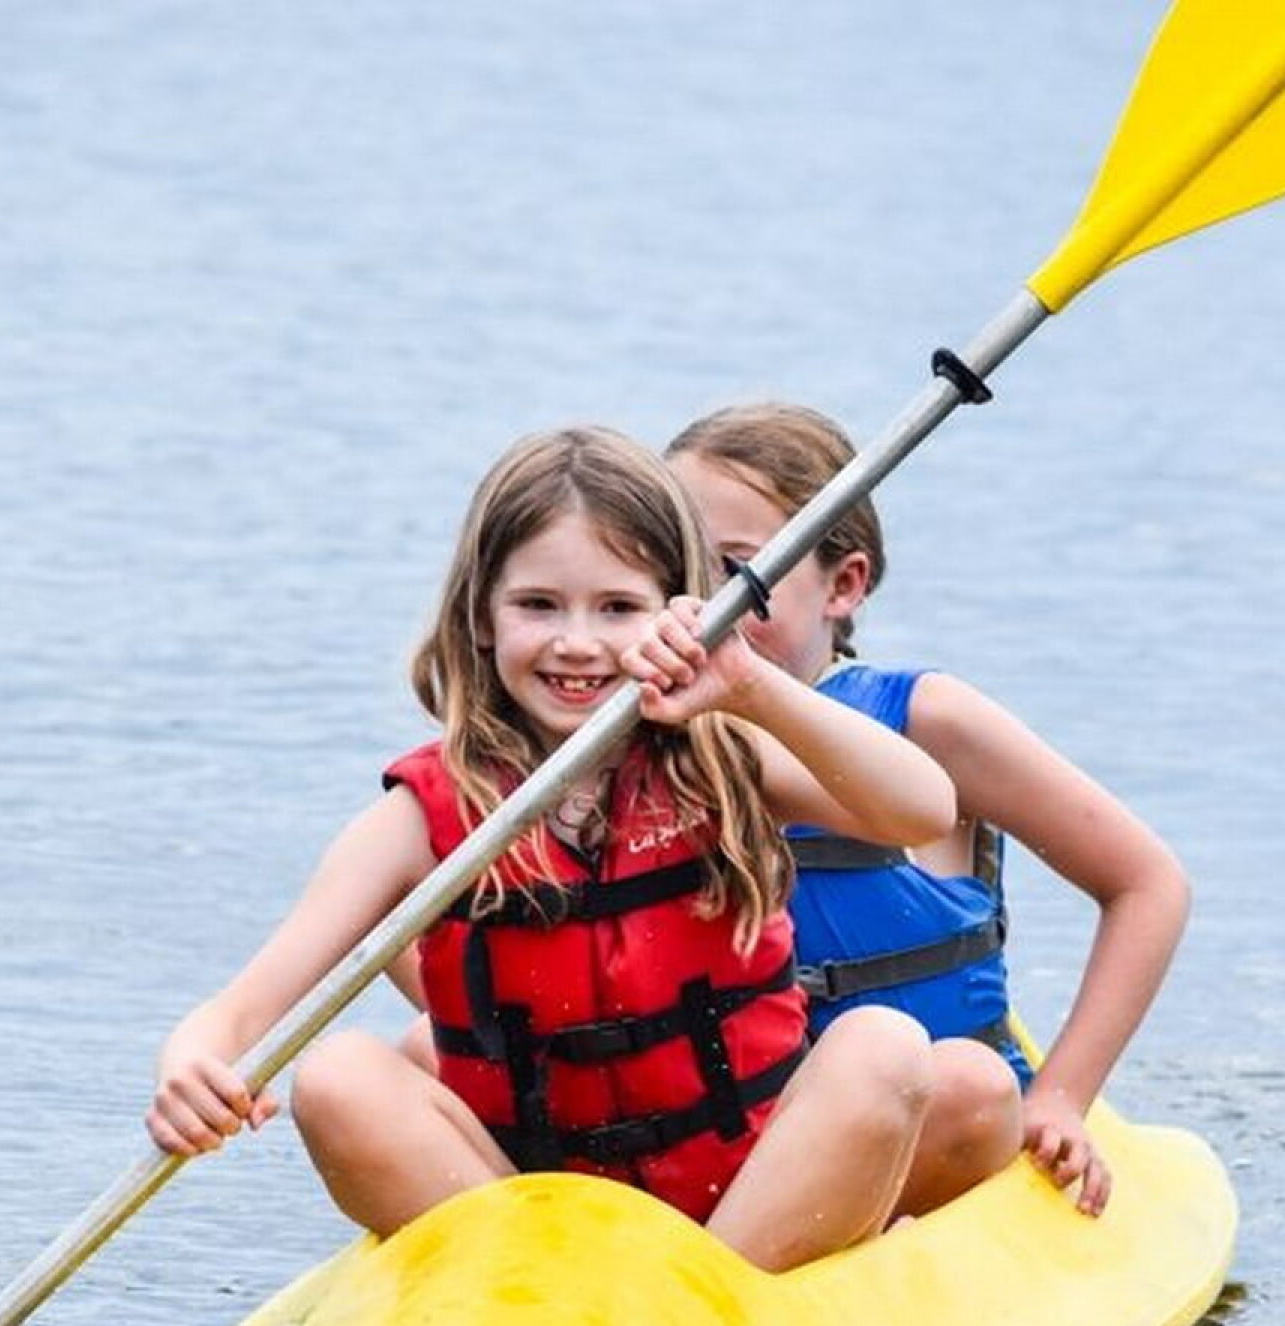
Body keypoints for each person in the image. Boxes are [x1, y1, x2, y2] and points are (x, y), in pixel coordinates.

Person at [145, 426, 957, 1273]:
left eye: (618, 607)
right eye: (538, 605)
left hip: (742, 1208)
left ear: (681, 612)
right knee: (338, 1075)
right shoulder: (424, 820)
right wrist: (189, 1065)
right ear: (483, 620)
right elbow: (237, 1014)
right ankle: (531, 1301)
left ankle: (705, 1313)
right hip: (539, 1224)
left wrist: (754, 687)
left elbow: (922, 809)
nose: (577, 642)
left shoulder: (727, 754)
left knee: (884, 1047)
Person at [666, 401, 1191, 1218]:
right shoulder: (643, 736)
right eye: (675, 573)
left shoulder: (926, 721)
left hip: (937, 1120)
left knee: (953, 1084)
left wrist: (1061, 1098)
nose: (703, 608)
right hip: (741, 1128)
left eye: (735, 574)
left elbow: (1147, 884)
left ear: (845, 584)